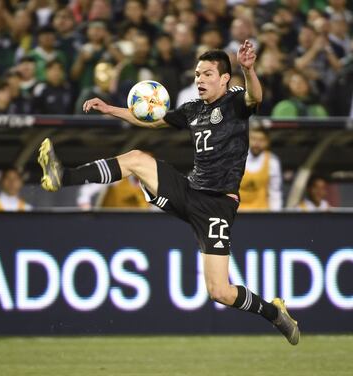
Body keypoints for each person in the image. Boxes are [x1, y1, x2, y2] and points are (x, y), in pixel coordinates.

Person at [38, 41, 300, 345]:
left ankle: (274, 313)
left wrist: (249, 68)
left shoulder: (236, 102)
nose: (199, 80)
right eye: (197, 75)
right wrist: (110, 109)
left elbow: (257, 95)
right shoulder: (192, 110)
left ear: (224, 79)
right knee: (136, 159)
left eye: (207, 74)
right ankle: (62, 175)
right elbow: (149, 120)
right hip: (189, 190)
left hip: (217, 205)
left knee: (219, 291)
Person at [239, 127, 282, 211]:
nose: (257, 143)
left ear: (267, 142)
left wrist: (276, 216)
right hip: (238, 213)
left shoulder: (272, 162)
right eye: (254, 139)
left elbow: (275, 192)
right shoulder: (236, 158)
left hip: (261, 213)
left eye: (261, 140)